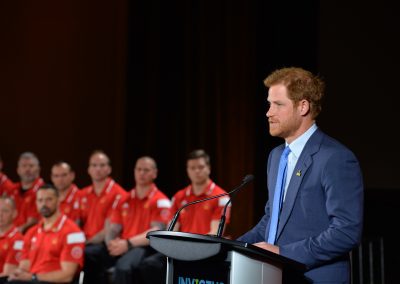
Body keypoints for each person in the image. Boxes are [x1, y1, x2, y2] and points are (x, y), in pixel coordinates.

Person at [237, 67, 364, 283]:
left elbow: (346, 232)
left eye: (278, 104)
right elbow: (272, 219)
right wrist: (231, 247)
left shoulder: (336, 158)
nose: (268, 112)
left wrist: (281, 253)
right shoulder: (276, 156)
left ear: (303, 106)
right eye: (269, 104)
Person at [137, 149, 230, 284]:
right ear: (187, 170)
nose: (196, 171)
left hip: (205, 250)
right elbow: (173, 230)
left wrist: (191, 249)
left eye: (200, 167)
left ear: (208, 168)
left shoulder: (221, 197)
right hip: (180, 249)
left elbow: (215, 232)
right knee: (149, 265)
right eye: (192, 168)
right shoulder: (179, 197)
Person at [83, 156, 171, 284]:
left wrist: (128, 244)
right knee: (89, 255)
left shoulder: (160, 200)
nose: (141, 173)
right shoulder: (124, 199)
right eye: (138, 169)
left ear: (154, 173)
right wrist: (112, 244)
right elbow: (113, 228)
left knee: (123, 268)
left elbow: (157, 231)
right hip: (122, 244)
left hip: (143, 246)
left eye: (146, 170)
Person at [7, 184, 85, 283]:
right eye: (40, 200)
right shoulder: (31, 232)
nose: (44, 204)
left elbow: (67, 276)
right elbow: (24, 266)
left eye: (49, 200)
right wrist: (18, 273)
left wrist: (33, 277)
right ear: (36, 203)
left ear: (58, 200)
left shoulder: (73, 232)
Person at [80, 150, 127, 283]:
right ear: (88, 169)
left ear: (109, 169)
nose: (97, 169)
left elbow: (110, 230)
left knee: (87, 254)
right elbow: (77, 222)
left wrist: (85, 243)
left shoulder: (118, 194)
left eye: (102, 165)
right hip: (86, 243)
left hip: (106, 244)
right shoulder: (83, 193)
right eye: (94, 165)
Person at [5, 152, 44, 233]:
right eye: (24, 166)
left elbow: (34, 221)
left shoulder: (43, 191)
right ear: (18, 170)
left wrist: (13, 233)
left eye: (31, 166)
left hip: (32, 236)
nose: (27, 169)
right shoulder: (11, 190)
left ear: (38, 169)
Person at [0, 197, 23, 284]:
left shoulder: (18, 240)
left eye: (5, 211)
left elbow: (7, 273)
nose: (0, 214)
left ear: (14, 214)